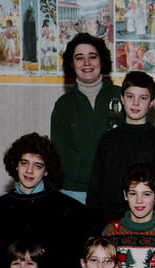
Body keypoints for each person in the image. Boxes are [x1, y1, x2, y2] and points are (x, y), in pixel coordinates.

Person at [0, 133, 105, 268]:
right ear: (16, 165)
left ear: (46, 171)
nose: (29, 170)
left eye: (38, 166)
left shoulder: (63, 204)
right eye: (24, 163)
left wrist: (72, 264)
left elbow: (98, 228)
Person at [87, 71, 155, 222]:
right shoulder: (108, 139)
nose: (135, 103)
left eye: (143, 98)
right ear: (122, 98)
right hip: (108, 222)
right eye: (130, 96)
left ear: (151, 103)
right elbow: (95, 188)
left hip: (146, 223)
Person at [51, 32, 123, 202]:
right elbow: (61, 154)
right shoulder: (63, 105)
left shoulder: (122, 96)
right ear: (71, 63)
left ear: (102, 61)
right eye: (79, 58)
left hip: (117, 189)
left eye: (92, 57)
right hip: (74, 191)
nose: (87, 63)